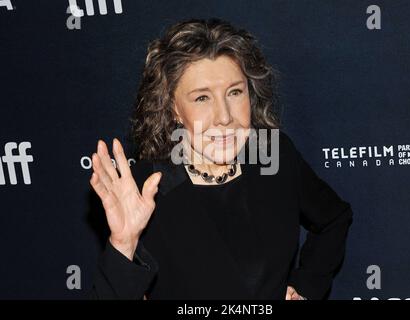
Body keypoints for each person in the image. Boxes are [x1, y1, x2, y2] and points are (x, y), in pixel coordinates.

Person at [88, 18, 353, 300]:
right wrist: (123, 245)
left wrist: (307, 286)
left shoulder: (273, 156)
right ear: (173, 107)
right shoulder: (145, 188)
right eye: (202, 98)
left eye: (235, 92)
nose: (225, 116)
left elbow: (334, 218)